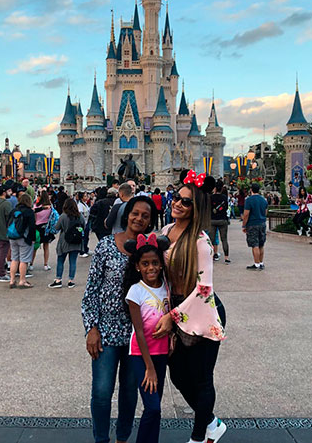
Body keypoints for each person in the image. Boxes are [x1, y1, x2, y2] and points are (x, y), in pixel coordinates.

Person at [153, 169, 227, 443]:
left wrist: (172, 317)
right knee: (178, 376)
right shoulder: (166, 231)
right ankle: (210, 422)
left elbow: (204, 289)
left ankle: (199, 438)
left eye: (185, 201)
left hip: (202, 311)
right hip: (176, 308)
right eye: (176, 197)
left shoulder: (201, 242)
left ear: (196, 208)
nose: (177, 203)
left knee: (201, 378)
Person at [82, 195, 157, 443]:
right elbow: (91, 290)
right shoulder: (105, 246)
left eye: (145, 216)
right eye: (135, 213)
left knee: (129, 393)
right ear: (127, 214)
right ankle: (101, 439)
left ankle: (122, 438)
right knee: (102, 392)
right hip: (106, 331)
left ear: (150, 221)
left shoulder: (150, 251)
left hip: (137, 335)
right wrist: (91, 328)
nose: (139, 219)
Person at [123, 233, 171, 443]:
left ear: (161, 264)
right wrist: (149, 367)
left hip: (162, 353)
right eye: (145, 264)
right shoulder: (136, 292)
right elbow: (139, 331)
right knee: (152, 407)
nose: (151, 268)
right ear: (137, 267)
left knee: (156, 409)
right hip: (141, 355)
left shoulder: (167, 287)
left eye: (155, 263)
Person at [49, 198, 84, 289]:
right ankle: (71, 281)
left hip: (64, 241)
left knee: (60, 260)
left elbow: (56, 227)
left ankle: (58, 280)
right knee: (73, 262)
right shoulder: (79, 216)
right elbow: (84, 225)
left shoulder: (63, 216)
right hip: (76, 241)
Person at [8, 192, 36, 289]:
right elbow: (32, 227)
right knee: (24, 260)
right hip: (24, 238)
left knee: (14, 259)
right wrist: (32, 239)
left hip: (12, 237)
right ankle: (22, 280)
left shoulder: (14, 210)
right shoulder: (29, 212)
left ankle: (12, 280)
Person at [243, 182, 268, 269]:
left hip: (252, 223)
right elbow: (265, 212)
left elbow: (246, 214)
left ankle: (256, 263)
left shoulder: (249, 200)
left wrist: (244, 225)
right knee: (261, 244)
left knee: (255, 245)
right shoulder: (263, 200)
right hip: (262, 223)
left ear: (251, 190)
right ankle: (261, 262)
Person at [33, 189, 55, 271]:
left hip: (37, 226)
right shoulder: (50, 206)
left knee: (35, 246)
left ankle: (31, 263)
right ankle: (45, 264)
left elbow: (34, 216)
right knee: (46, 246)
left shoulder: (36, 205)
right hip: (46, 227)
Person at [209, 182, 230, 264]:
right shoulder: (224, 197)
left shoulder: (211, 197)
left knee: (211, 240)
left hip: (212, 219)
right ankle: (226, 257)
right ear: (221, 188)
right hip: (222, 219)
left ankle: (210, 256)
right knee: (224, 239)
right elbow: (226, 207)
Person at [77, 191, 91, 258]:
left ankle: (86, 249)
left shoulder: (85, 204)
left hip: (86, 222)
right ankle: (82, 251)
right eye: (85, 196)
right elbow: (80, 215)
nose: (86, 197)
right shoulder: (80, 205)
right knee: (83, 237)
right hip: (82, 224)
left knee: (86, 237)